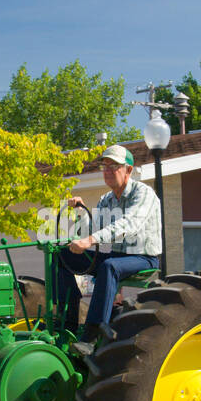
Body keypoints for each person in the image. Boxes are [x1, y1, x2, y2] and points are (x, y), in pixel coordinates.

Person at [55, 144, 161, 351]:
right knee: (62, 255)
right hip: (117, 256)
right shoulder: (107, 199)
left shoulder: (143, 194)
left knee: (109, 266)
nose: (108, 171)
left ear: (129, 170)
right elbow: (91, 229)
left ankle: (92, 336)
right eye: (105, 166)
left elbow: (128, 225)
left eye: (114, 166)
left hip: (143, 257)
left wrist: (90, 240)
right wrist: (82, 212)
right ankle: (67, 322)